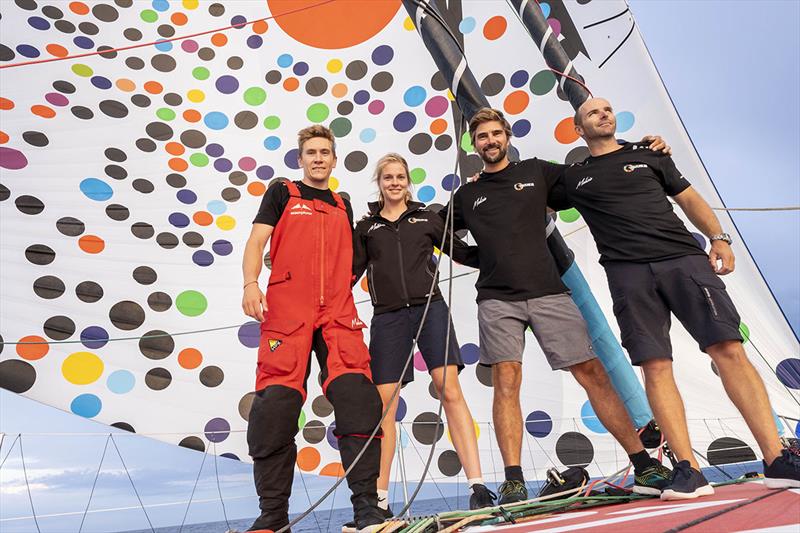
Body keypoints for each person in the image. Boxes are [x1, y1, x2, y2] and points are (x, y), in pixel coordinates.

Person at [549, 97, 800, 499]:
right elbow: (523, 196)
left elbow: (688, 197)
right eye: (592, 112)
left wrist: (719, 238)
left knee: (729, 348)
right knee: (655, 365)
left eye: (608, 109)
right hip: (628, 274)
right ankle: (688, 470)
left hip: (682, 260)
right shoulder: (571, 178)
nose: (603, 113)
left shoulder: (650, 154)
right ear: (578, 129)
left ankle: (777, 459)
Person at [443, 108, 673, 504]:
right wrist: (479, 258)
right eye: (482, 137)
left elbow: (593, 173)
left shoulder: (536, 172)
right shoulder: (467, 194)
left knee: (592, 373)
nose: (490, 141)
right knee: (507, 382)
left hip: (549, 291)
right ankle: (514, 480)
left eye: (496, 134)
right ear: (474, 144)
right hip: (497, 298)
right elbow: (443, 233)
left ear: (508, 137)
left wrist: (641, 150)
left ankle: (643, 463)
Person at [241, 125, 384, 531]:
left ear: (334, 159)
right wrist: (251, 284)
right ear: (300, 159)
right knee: (275, 405)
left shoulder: (343, 202)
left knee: (357, 395)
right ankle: (272, 517)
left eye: (325, 152)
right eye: (311, 153)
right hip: (288, 309)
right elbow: (256, 242)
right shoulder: (282, 192)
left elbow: (354, 257)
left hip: (337, 310)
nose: (318, 158)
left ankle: (367, 509)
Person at [352, 153, 495, 512]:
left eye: (400, 176)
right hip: (387, 318)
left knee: (450, 390)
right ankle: (380, 499)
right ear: (379, 182)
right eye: (388, 177)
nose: (395, 182)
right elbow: (347, 273)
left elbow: (462, 252)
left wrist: (504, 250)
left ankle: (477, 486)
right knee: (383, 406)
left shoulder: (426, 218)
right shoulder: (366, 228)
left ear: (408, 181)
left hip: (430, 309)